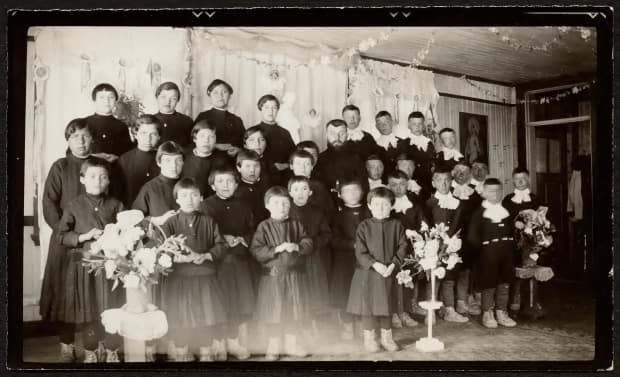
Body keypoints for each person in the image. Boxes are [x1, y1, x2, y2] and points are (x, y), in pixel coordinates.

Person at [56, 157, 125, 362]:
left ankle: (112, 349)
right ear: (82, 179)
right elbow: (61, 236)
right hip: (85, 269)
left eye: (103, 177)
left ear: (109, 181)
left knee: (112, 308)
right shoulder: (74, 205)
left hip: (111, 268)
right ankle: (91, 350)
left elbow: (128, 232)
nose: (98, 181)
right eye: (92, 176)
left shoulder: (116, 204)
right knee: (90, 309)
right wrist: (84, 237)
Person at [39, 119, 92, 362]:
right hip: (65, 242)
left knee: (94, 292)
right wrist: (66, 234)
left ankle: (94, 346)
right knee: (65, 294)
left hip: (95, 243)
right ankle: (66, 345)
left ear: (92, 139)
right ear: (68, 141)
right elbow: (49, 203)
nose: (81, 141)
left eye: (85, 136)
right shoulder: (60, 166)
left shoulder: (100, 166)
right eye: (75, 137)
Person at [159, 178, 229, 361]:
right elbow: (161, 251)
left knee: (207, 317)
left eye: (194, 195)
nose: (189, 199)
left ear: (201, 198)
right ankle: (181, 352)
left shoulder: (209, 221)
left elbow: (221, 245)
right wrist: (179, 258)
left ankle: (206, 352)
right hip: (180, 280)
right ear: (177, 199)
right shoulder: (170, 223)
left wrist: (204, 256)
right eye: (184, 195)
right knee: (181, 319)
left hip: (206, 279)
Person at [250, 186, 313, 361]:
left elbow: (308, 242)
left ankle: (291, 343)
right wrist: (277, 249)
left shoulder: (296, 224)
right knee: (274, 313)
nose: (281, 207)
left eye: (285, 203)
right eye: (276, 203)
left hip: (294, 277)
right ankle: (274, 345)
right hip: (273, 278)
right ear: (267, 206)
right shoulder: (263, 226)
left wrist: (298, 246)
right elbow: (256, 250)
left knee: (294, 311)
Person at [201, 168, 255, 360]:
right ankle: (218, 343)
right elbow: (203, 233)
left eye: (230, 181)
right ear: (212, 185)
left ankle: (233, 341)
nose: (226, 185)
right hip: (217, 264)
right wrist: (223, 237)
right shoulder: (206, 206)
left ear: (237, 184)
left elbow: (253, 231)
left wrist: (242, 239)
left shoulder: (244, 206)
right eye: (220, 181)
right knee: (219, 303)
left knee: (237, 303)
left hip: (239, 262)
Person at [346, 187, 408, 353]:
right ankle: (370, 338)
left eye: (385, 205)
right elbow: (360, 251)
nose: (381, 208)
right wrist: (375, 264)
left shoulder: (397, 225)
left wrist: (394, 264)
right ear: (369, 206)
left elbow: (403, 247)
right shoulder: (364, 226)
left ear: (391, 206)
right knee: (368, 307)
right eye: (377, 204)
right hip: (368, 273)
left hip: (389, 272)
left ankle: (387, 338)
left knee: (387, 306)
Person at [468, 178, 518, 329]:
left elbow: (513, 231)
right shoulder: (479, 213)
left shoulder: (508, 211)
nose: (495, 194)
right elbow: (472, 236)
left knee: (504, 283)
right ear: (483, 192)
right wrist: (481, 252)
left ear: (502, 191)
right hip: (488, 254)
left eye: (498, 191)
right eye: (491, 191)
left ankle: (502, 311)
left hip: (506, 253)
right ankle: (487, 312)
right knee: (489, 283)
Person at [287, 176, 332, 340]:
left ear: (310, 192)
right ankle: (299, 329)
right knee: (298, 293)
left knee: (315, 293)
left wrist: (311, 245)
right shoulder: (286, 210)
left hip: (313, 258)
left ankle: (316, 328)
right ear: (290, 192)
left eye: (304, 189)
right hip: (293, 258)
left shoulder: (317, 212)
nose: (300, 193)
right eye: (296, 189)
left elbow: (326, 234)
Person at [424, 169, 468, 323]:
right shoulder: (429, 203)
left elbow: (459, 225)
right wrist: (433, 243)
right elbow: (426, 225)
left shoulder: (458, 203)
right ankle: (431, 312)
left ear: (451, 182)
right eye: (439, 180)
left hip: (452, 246)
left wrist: (452, 243)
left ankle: (449, 309)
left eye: (447, 180)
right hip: (434, 246)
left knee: (449, 278)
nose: (443, 183)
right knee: (434, 278)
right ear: (433, 183)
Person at [329, 178, 370, 340]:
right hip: (345, 260)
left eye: (355, 190)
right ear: (340, 195)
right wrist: (351, 244)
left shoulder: (369, 211)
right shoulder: (337, 215)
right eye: (347, 191)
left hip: (365, 259)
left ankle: (362, 323)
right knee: (346, 292)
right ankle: (347, 325)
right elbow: (333, 238)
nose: (352, 194)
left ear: (362, 192)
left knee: (363, 292)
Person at [386, 170, 427, 328]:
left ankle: (405, 311)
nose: (398, 188)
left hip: (409, 249)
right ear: (388, 185)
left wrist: (418, 236)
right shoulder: (386, 204)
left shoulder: (414, 204)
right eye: (394, 185)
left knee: (408, 280)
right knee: (392, 281)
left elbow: (423, 223)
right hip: (391, 249)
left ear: (407, 185)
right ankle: (394, 312)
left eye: (402, 185)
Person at [502, 167, 542, 312]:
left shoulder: (535, 199)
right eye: (517, 179)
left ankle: (532, 302)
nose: (520, 181)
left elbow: (541, 219)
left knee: (531, 266)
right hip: (513, 240)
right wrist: (514, 223)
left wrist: (534, 224)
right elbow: (504, 219)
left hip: (531, 240)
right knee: (514, 268)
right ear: (513, 180)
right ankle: (514, 300)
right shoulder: (508, 199)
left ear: (528, 179)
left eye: (523, 178)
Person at [451, 161, 483, 316]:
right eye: (458, 170)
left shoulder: (474, 194)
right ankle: (452, 302)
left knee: (467, 269)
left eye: (465, 171)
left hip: (469, 237)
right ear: (453, 173)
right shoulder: (447, 191)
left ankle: (465, 298)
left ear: (469, 174)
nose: (461, 174)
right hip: (451, 237)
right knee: (451, 269)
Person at [315, 119, 366, 205]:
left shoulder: (356, 158)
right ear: (326, 135)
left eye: (341, 133)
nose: (337, 137)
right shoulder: (319, 160)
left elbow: (364, 188)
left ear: (347, 134)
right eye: (332, 133)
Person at [132, 141, 184, 226]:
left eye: (178, 160)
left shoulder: (190, 185)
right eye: (168, 160)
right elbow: (135, 219)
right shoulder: (149, 188)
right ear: (159, 163)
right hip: (161, 237)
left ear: (183, 162)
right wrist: (156, 220)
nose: (173, 165)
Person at [116, 115, 162, 206]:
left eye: (153, 134)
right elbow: (118, 192)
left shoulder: (163, 158)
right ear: (135, 134)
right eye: (143, 133)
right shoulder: (124, 160)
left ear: (159, 137)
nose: (148, 139)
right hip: (132, 210)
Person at [194, 79, 245, 157]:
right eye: (215, 93)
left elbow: (243, 142)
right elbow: (193, 140)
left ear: (230, 96)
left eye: (224, 92)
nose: (220, 96)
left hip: (232, 160)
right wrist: (216, 146)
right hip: (208, 158)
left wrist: (238, 149)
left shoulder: (237, 120)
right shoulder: (203, 116)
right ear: (210, 95)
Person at [180, 120, 230, 198]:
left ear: (216, 140)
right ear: (194, 138)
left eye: (211, 137)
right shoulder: (184, 156)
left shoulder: (222, 160)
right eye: (202, 136)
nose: (206, 140)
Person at [84, 83, 133, 160]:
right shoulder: (84, 123)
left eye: (111, 97)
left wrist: (117, 158)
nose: (106, 101)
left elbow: (128, 154)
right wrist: (93, 156)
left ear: (116, 101)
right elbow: (72, 152)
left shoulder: (121, 126)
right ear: (94, 101)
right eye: (102, 97)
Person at [288, 149, 336, 223]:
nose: (302, 168)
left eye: (307, 164)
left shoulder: (319, 187)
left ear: (312, 167)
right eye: (298, 164)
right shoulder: (286, 187)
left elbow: (329, 212)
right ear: (291, 166)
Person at [255, 94, 296, 175]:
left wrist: (287, 165)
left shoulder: (285, 133)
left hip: (282, 175)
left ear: (278, 110)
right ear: (260, 109)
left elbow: (294, 156)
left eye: (274, 108)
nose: (270, 111)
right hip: (260, 174)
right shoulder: (254, 131)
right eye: (266, 107)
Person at [234, 149, 271, 225]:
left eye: (256, 166)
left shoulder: (267, 186)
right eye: (247, 166)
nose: (252, 170)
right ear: (239, 168)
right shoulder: (235, 190)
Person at [153, 81, 194, 148]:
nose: (167, 102)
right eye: (163, 97)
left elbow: (192, 145)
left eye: (173, 98)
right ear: (157, 98)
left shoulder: (187, 121)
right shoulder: (151, 121)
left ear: (178, 100)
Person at [404, 111, 436, 192]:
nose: (417, 127)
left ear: (423, 125)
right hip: (410, 183)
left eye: (420, 124)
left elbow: (432, 163)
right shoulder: (403, 143)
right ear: (409, 125)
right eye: (414, 124)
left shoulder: (429, 143)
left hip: (427, 182)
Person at [374, 111, 408, 175]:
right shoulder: (374, 145)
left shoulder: (403, 143)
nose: (383, 125)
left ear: (392, 123)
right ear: (376, 126)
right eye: (380, 123)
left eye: (386, 122)